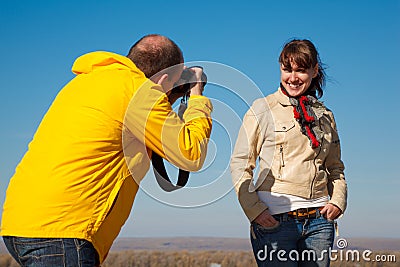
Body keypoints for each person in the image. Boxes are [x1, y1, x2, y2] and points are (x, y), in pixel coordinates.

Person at [1, 34, 213, 266]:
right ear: (162, 79)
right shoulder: (139, 92)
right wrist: (196, 96)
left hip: (20, 224)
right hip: (65, 232)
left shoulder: (91, 81)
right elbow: (189, 153)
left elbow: (131, 124)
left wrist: (168, 95)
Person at [230, 39, 347, 266]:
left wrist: (338, 201)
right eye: (287, 69)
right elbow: (241, 163)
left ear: (314, 71)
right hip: (274, 221)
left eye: (301, 70)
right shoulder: (262, 108)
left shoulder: (326, 115)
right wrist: (254, 211)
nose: (293, 77)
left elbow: (335, 167)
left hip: (320, 223)